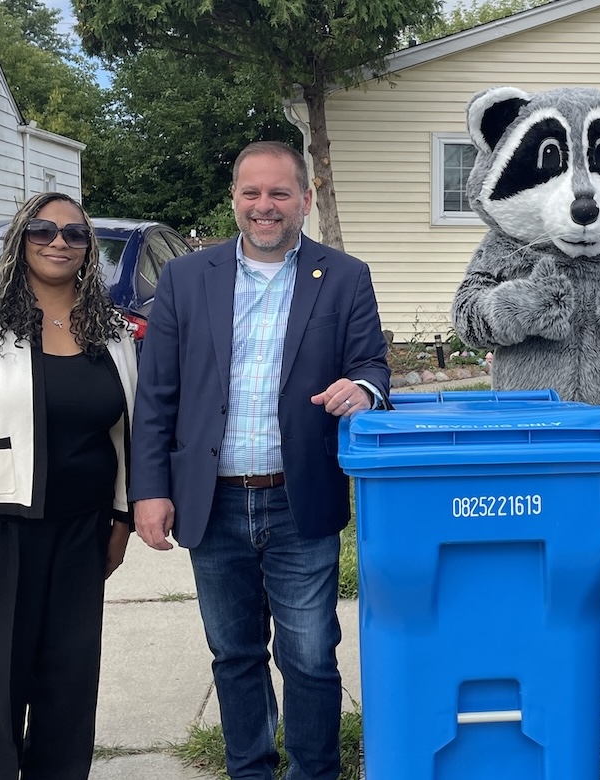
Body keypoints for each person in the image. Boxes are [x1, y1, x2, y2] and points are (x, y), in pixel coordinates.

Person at [129, 141, 389, 780]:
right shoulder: (187, 278)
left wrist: (364, 390)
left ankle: (313, 770)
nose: (265, 206)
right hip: (211, 498)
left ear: (304, 198)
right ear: (235, 200)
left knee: (309, 654)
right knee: (234, 652)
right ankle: (250, 769)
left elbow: (372, 364)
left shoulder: (345, 276)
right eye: (252, 193)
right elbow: (157, 394)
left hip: (298, 496)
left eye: (279, 193)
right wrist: (149, 489)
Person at [0, 192, 137, 780]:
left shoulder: (110, 329)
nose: (58, 241)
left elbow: (125, 432)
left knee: (69, 688)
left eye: (74, 233)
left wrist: (121, 520)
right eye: (43, 228)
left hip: (83, 532)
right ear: (20, 238)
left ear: (89, 250)